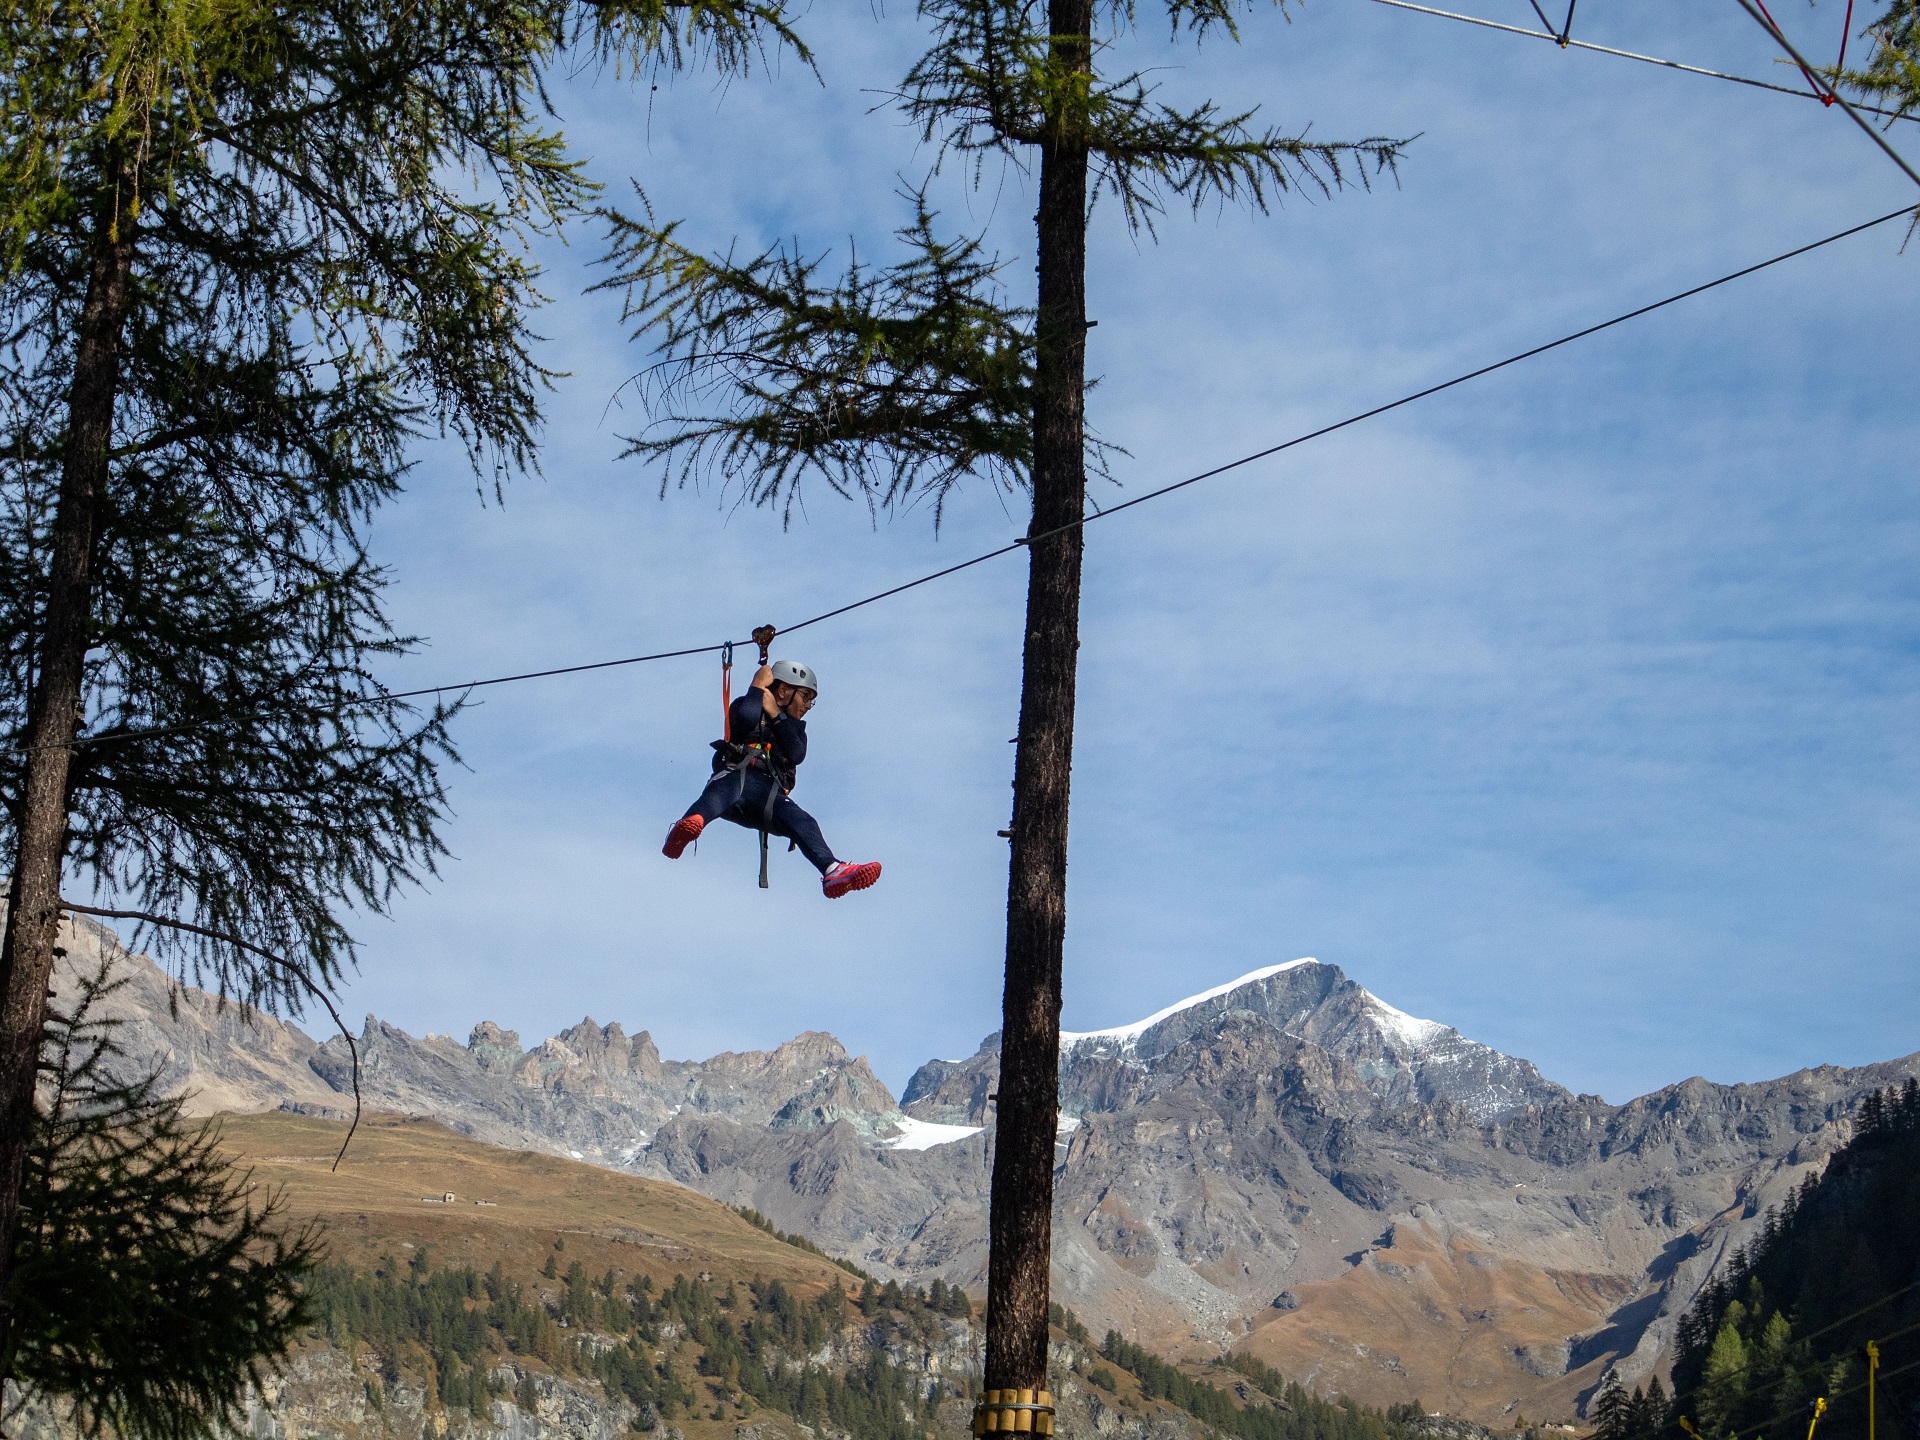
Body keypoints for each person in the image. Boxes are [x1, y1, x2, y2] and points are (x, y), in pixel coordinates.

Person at [663, 656, 882, 899]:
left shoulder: (795, 729)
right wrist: (757, 686)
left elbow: (796, 753)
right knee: (721, 793)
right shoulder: (747, 705)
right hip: (735, 776)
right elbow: (746, 718)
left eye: (812, 700)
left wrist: (776, 714)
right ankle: (688, 826)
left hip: (767, 796)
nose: (809, 705)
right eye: (806, 696)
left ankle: (832, 870)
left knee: (804, 822)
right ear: (784, 690)